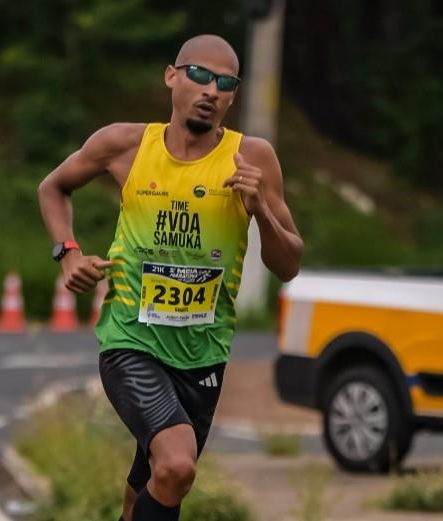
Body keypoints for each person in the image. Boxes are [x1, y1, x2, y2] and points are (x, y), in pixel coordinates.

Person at [38, 34, 302, 521]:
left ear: (233, 95)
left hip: (204, 351)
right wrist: (68, 253)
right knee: (177, 466)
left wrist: (261, 209)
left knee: (150, 488)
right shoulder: (126, 145)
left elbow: (289, 265)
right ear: (172, 77)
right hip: (130, 340)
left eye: (225, 83)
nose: (210, 90)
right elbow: (53, 187)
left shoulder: (254, 159)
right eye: (199, 75)